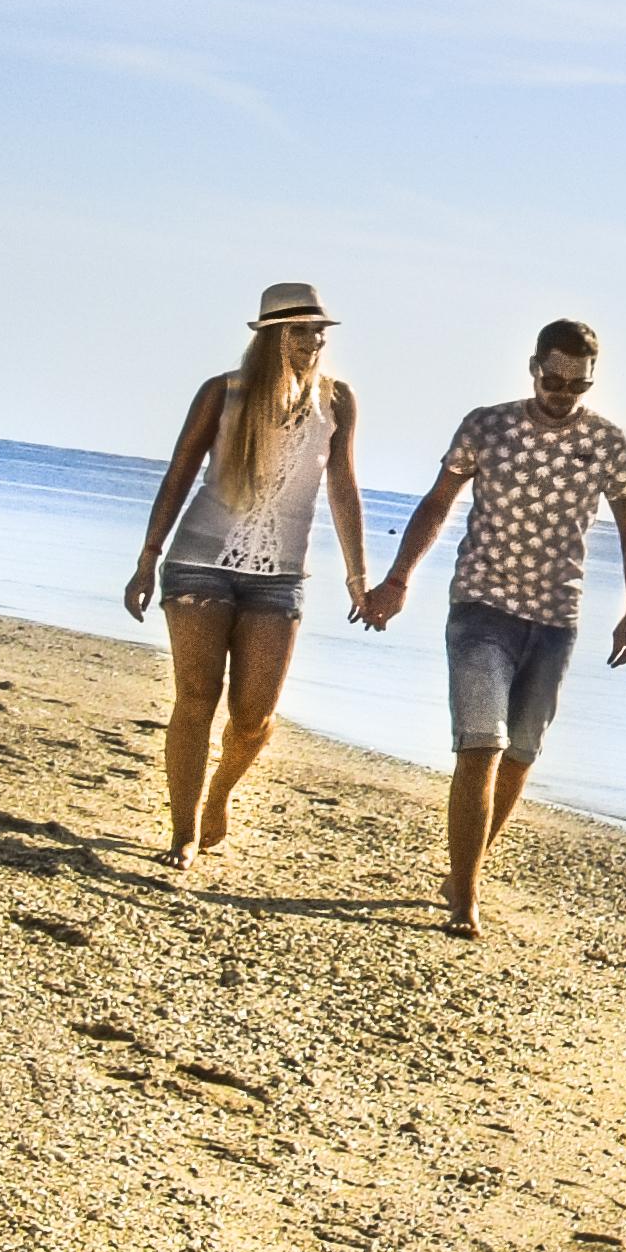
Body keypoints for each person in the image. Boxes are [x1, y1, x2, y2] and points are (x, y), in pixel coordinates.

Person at [358, 317, 626, 938]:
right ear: (533, 367)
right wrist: (399, 578)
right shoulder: (486, 425)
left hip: (555, 620)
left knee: (519, 754)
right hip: (480, 608)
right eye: (553, 376)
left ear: (590, 380)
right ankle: (465, 894)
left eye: (577, 383)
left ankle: (465, 867)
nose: (562, 391)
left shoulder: (609, 443)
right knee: (480, 745)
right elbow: (438, 503)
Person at [118, 280, 372, 875]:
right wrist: (148, 557)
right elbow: (179, 474)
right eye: (302, 330)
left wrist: (358, 576)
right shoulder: (223, 394)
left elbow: (342, 487)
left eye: (319, 331)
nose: (314, 340)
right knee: (196, 699)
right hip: (198, 566)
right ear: (272, 337)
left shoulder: (336, 402)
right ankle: (183, 831)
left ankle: (219, 795)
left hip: (280, 578)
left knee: (254, 717)